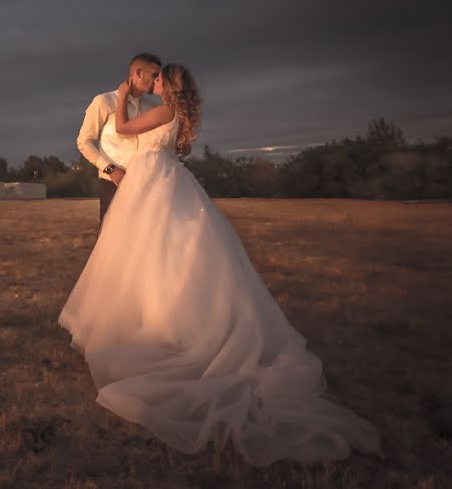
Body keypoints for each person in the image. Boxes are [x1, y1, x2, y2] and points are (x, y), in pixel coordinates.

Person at [58, 64, 381, 466]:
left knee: (154, 249)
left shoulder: (163, 110)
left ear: (168, 85)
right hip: (159, 178)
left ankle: (159, 326)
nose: (154, 81)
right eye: (151, 77)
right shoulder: (175, 113)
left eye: (159, 78)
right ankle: (152, 315)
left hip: (153, 179)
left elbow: (123, 130)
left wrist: (122, 96)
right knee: (160, 251)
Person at [76, 53, 191, 225]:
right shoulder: (105, 102)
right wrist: (109, 169)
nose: (157, 80)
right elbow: (83, 141)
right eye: (154, 75)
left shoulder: (152, 108)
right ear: (138, 73)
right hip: (112, 183)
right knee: (112, 240)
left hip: (146, 184)